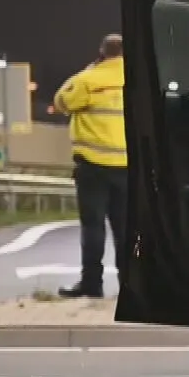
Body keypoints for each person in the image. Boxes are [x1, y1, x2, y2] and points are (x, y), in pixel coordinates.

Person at [52, 34, 128, 299]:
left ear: (102, 52)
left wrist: (88, 69)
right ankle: (131, 287)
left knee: (93, 227)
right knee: (125, 230)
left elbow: (61, 101)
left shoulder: (88, 80)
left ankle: (92, 285)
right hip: (128, 168)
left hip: (93, 167)